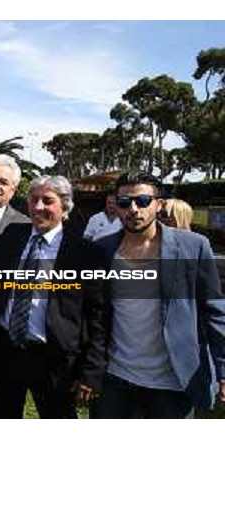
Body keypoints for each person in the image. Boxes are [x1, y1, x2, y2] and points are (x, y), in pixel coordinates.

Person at [91, 172, 225, 418]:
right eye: (124, 203)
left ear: (159, 204)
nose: (133, 209)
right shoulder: (102, 248)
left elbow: (215, 310)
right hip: (115, 378)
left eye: (142, 201)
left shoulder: (193, 246)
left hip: (172, 381)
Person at [0, 175, 109, 419]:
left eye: (47, 201)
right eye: (33, 200)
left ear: (65, 206)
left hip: (56, 360)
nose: (38, 207)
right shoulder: (13, 235)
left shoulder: (85, 254)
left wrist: (91, 371)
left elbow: (98, 318)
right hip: (6, 351)